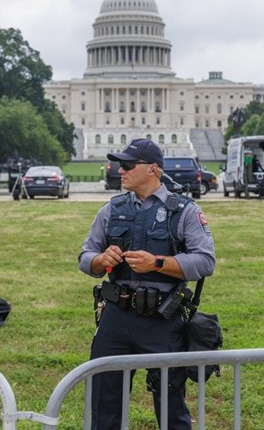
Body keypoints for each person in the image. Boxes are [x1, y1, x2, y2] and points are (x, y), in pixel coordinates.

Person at [79, 138, 216, 430]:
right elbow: (85, 257)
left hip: (162, 320)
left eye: (128, 165)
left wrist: (158, 263)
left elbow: (205, 261)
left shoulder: (185, 211)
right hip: (116, 318)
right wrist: (101, 259)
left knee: (170, 406)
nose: (120, 170)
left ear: (152, 169)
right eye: (119, 164)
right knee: (104, 403)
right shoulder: (111, 209)